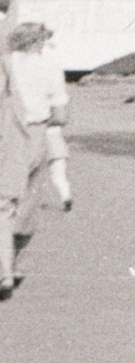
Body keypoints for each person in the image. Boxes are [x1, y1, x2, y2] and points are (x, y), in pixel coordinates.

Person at [2, 22, 71, 300]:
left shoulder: (5, 64)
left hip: (8, 134)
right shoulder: (52, 68)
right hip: (39, 134)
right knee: (28, 206)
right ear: (37, 43)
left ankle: (4, 273)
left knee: (4, 204)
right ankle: (12, 265)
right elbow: (62, 116)